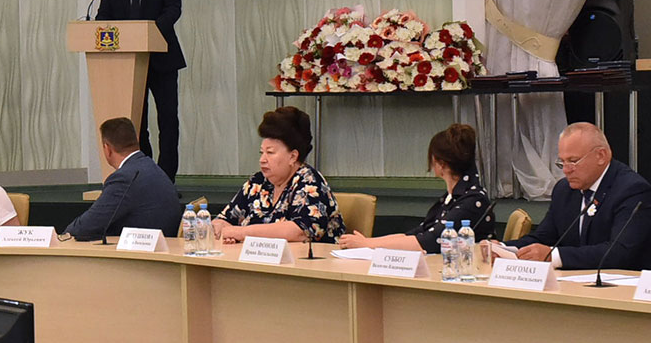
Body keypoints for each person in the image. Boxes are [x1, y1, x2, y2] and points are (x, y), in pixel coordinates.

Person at [492, 121, 651, 272]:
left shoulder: (632, 190)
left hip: (638, 290)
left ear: (601, 156)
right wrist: (504, 249)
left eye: (573, 161)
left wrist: (553, 256)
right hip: (582, 284)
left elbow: (618, 253)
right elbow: (544, 238)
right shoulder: (564, 190)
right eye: (562, 162)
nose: (566, 170)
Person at [97, 0, 186, 180]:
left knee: (167, 121)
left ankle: (166, 178)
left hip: (162, 60)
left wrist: (150, 31)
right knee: (137, 123)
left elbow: (174, 8)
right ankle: (144, 177)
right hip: (128, 64)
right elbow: (103, 18)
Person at [338, 124, 494, 253]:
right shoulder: (453, 197)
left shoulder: (472, 200)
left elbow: (428, 241)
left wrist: (368, 244)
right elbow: (417, 233)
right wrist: (368, 242)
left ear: (440, 163)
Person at [211, 106, 344, 244]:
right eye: (261, 152)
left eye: (270, 153)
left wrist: (240, 233)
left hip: (310, 257)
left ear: (293, 156)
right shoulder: (258, 182)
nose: (262, 159)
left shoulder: (310, 182)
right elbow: (224, 219)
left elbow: (301, 231)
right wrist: (221, 228)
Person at [66, 117, 183, 242]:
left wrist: (64, 235)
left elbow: (86, 227)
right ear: (136, 140)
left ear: (107, 149)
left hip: (142, 251)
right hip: (163, 244)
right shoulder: (151, 167)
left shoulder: (124, 178)